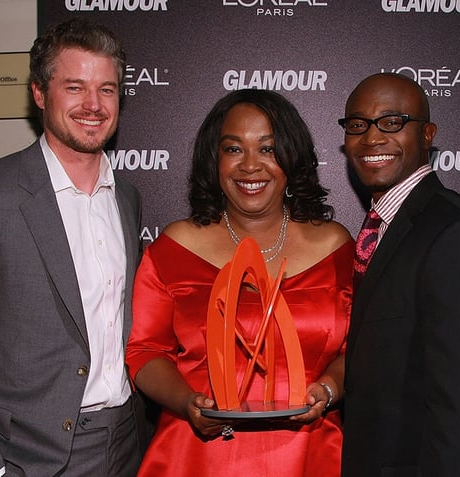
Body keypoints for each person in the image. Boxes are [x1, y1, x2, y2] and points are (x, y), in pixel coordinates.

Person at [0, 18, 145, 477]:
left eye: (107, 89)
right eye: (74, 87)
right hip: (28, 458)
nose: (93, 105)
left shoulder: (128, 197)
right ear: (39, 93)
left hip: (127, 447)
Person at [125, 88, 353, 476]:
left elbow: (362, 351)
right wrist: (187, 404)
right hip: (196, 457)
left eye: (267, 149)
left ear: (292, 158)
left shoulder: (336, 247)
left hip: (309, 454)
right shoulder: (175, 247)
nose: (251, 165)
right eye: (233, 149)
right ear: (213, 160)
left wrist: (329, 388)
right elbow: (145, 352)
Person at [338, 72, 460, 476]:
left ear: (428, 134)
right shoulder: (381, 226)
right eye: (358, 125)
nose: (372, 137)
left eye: (392, 122)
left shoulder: (458, 233)